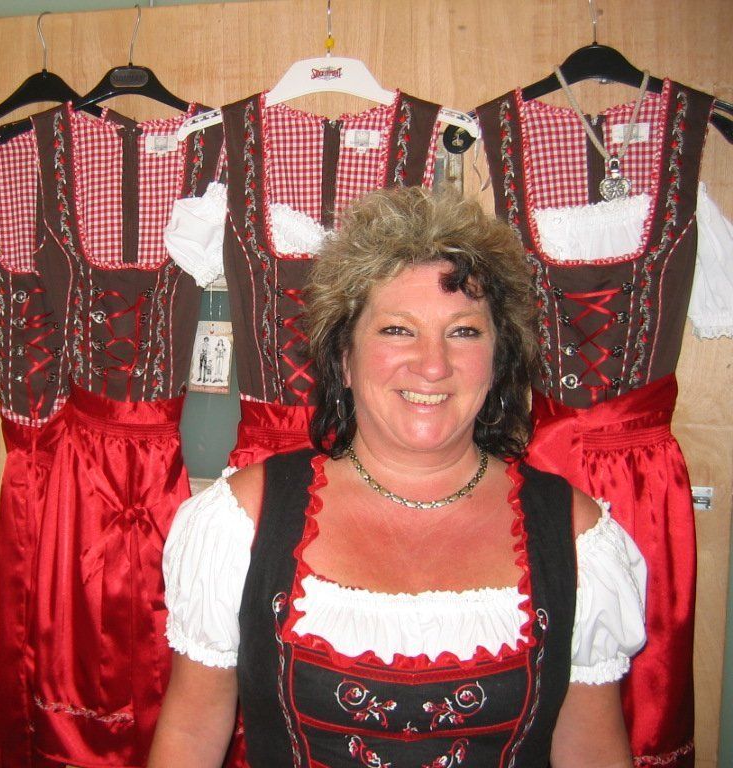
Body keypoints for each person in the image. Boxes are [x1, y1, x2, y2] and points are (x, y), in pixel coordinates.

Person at [147, 187, 647, 767]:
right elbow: (190, 735)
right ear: (343, 358)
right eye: (397, 330)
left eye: (464, 332)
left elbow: (593, 750)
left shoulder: (578, 538)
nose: (433, 365)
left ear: (498, 359)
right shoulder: (242, 522)